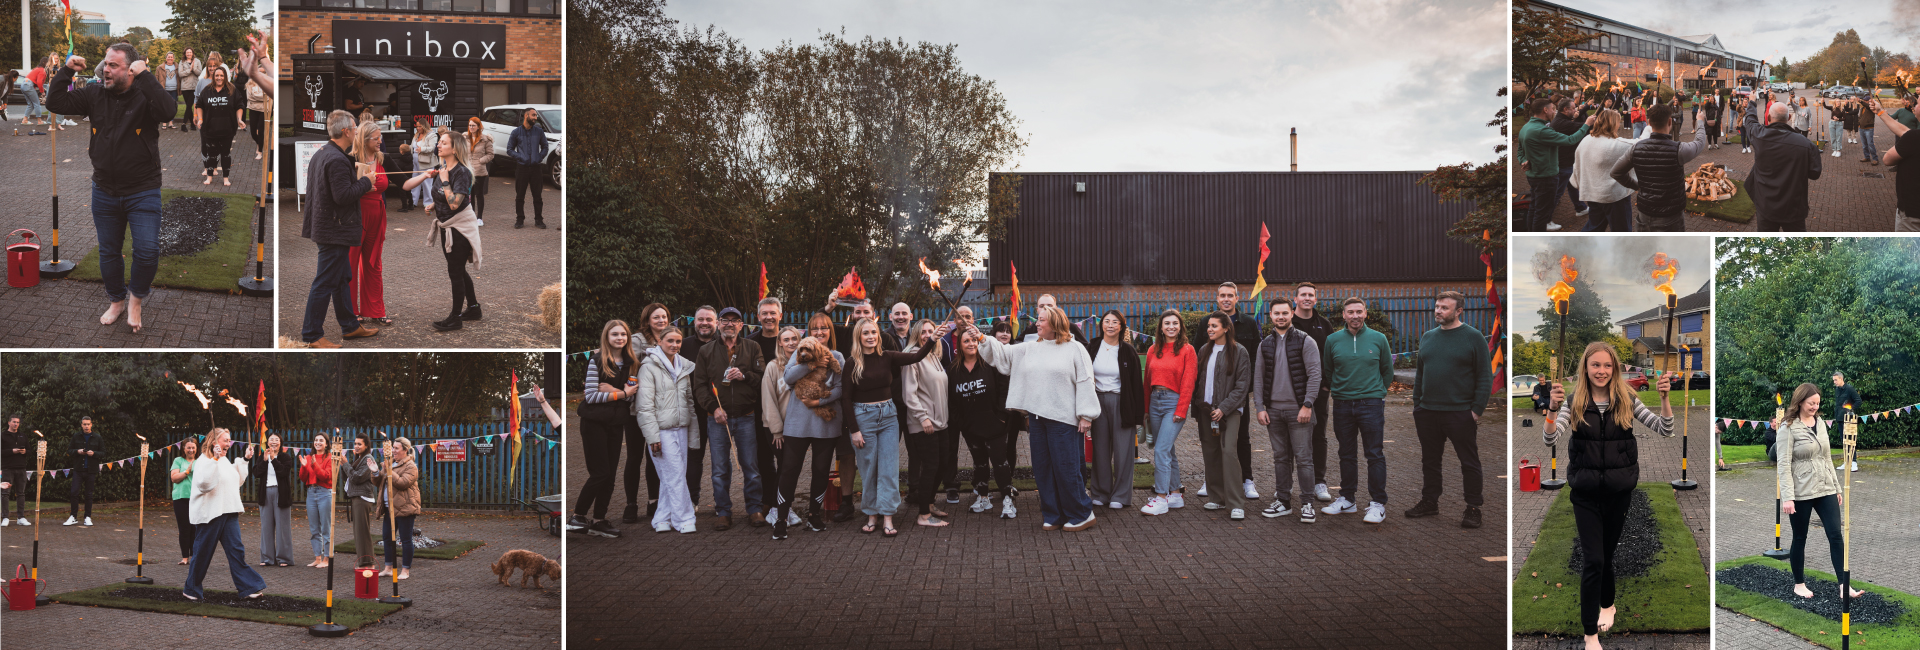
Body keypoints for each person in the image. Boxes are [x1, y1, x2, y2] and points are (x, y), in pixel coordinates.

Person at [1543, 342, 1673, 650]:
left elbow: (1664, 429)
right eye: (1595, 365)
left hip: (1618, 492)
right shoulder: (1573, 401)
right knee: (1593, 560)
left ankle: (1608, 604)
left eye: (1607, 365)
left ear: (1614, 368)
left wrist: (1665, 399)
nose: (1601, 371)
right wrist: (1551, 408)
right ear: (1585, 368)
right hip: (1585, 493)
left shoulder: (1626, 399)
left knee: (1606, 555)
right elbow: (1550, 436)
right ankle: (1590, 635)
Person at [46, 46, 178, 333]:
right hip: (104, 189)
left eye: (114, 65)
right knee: (108, 252)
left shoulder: (145, 95)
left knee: (146, 250)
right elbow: (54, 102)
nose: (106, 69)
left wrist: (146, 77)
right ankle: (116, 300)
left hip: (142, 189)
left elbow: (169, 110)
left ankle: (136, 300)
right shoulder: (95, 93)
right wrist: (66, 70)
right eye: (106, 63)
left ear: (131, 70)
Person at [968, 307, 1097, 532]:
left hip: (1064, 419)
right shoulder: (1030, 348)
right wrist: (982, 338)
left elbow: (1086, 380)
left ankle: (1081, 513)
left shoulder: (1075, 348)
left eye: (1042, 320)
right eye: (1038, 319)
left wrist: (1086, 415)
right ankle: (1053, 514)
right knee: (1043, 468)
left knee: (1066, 468)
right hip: (1037, 418)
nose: (1037, 323)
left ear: (1055, 323)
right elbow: (1002, 355)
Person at [844, 317, 947, 537]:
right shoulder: (852, 363)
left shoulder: (888, 356)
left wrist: (933, 339)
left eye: (874, 332)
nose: (871, 337)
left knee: (889, 468)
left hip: (889, 416)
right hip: (863, 417)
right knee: (869, 468)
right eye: (866, 333)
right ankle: (872, 515)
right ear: (858, 337)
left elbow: (916, 356)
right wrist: (854, 430)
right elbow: (845, 399)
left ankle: (888, 517)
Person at [1405, 292, 1491, 529]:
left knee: (1469, 462)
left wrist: (1475, 410)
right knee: (1430, 461)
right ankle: (1430, 501)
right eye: (1437, 306)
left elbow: (1485, 376)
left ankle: (1473, 507)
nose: (1438, 311)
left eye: (1444, 307)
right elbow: (1420, 373)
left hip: (1460, 412)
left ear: (1459, 311)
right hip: (1428, 411)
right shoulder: (1428, 337)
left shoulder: (1473, 338)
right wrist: (1417, 405)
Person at [1773, 383, 1862, 603]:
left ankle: (1844, 585)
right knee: (1800, 538)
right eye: (1811, 403)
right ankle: (1799, 584)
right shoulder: (1788, 427)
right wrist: (1788, 497)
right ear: (1800, 401)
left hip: (1825, 488)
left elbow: (1827, 457)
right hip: (1800, 492)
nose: (1815, 407)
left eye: (1818, 403)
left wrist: (1836, 487)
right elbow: (1783, 464)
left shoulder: (1820, 423)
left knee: (1836, 535)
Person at [300, 110, 379, 347]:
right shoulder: (336, 159)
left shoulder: (324, 153)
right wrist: (366, 182)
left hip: (328, 227)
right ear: (346, 131)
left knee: (342, 277)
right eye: (355, 128)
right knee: (324, 282)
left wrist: (357, 181)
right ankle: (312, 335)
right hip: (334, 231)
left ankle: (350, 326)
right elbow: (342, 196)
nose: (357, 132)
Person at [769, 315, 846, 537]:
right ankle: (781, 518)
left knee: (821, 470)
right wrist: (812, 364)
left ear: (830, 331)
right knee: (789, 470)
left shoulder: (838, 356)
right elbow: (789, 378)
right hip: (797, 424)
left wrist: (819, 402)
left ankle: (814, 516)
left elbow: (841, 388)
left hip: (826, 423)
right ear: (808, 332)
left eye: (824, 328)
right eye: (815, 329)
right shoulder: (798, 353)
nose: (819, 332)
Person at [692, 307, 767, 531]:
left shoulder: (752, 347)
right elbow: (700, 386)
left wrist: (744, 376)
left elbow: (763, 377)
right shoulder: (706, 351)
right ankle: (723, 511)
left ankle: (754, 508)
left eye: (735, 321)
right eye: (725, 320)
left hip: (745, 416)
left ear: (741, 326)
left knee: (751, 467)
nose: (729, 324)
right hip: (717, 419)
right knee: (720, 469)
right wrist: (714, 408)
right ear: (719, 324)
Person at [1321, 297, 1394, 524]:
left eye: (1359, 312)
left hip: (1371, 404)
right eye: (1350, 312)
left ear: (1366, 314)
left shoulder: (1379, 338)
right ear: (1343, 315)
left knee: (1374, 453)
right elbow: (1328, 371)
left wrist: (1377, 392)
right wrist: (1341, 391)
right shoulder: (1332, 340)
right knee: (1346, 454)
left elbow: (1387, 371)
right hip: (1342, 404)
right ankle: (1347, 499)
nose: (1355, 316)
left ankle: (1377, 504)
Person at [1188, 283, 1261, 501]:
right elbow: (1198, 358)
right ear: (1217, 298)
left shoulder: (1248, 323)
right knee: (1212, 442)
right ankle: (1213, 481)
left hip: (1237, 395)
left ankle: (1247, 480)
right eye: (1222, 295)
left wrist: (1246, 390)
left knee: (1240, 438)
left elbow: (1255, 357)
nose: (1226, 299)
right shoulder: (1205, 323)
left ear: (1237, 298)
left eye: (1230, 295)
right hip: (1210, 401)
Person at [1253, 300, 1322, 523]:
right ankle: (1283, 501)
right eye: (1276, 313)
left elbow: (1315, 375)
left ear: (1292, 313)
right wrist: (1260, 408)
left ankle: (1307, 504)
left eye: (1285, 312)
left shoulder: (1305, 341)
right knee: (1280, 458)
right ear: (1270, 315)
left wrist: (1307, 404)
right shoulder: (1264, 345)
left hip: (1299, 412)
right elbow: (1258, 379)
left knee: (1304, 459)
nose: (1281, 316)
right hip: (1274, 412)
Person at [406, 131, 483, 332]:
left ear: (455, 149)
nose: (438, 145)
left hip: (459, 227)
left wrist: (445, 180)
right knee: (457, 268)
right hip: (446, 225)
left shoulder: (461, 172)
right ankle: (473, 308)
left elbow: (456, 203)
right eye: (439, 142)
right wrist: (433, 205)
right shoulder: (442, 167)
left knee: (455, 271)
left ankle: (455, 318)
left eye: (443, 143)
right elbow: (415, 188)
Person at [572, 320, 639, 538]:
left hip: (616, 423)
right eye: (615, 334)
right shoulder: (597, 361)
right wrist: (622, 394)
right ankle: (578, 516)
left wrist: (618, 392)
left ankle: (598, 520)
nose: (620, 338)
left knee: (610, 475)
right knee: (599, 472)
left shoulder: (632, 363)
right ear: (607, 337)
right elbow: (591, 396)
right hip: (594, 423)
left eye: (624, 334)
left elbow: (635, 394)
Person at [184, 428, 267, 601]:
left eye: (229, 441)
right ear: (214, 442)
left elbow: (236, 481)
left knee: (237, 551)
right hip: (210, 513)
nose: (229, 444)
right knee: (202, 553)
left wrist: (245, 459)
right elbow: (204, 484)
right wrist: (213, 459)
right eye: (226, 440)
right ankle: (191, 589)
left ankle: (248, 586)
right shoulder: (203, 460)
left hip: (229, 512)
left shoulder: (224, 460)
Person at [947, 323, 1016, 518]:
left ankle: (1008, 499)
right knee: (979, 464)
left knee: (1000, 463)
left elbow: (1004, 390)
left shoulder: (991, 363)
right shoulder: (953, 370)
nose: (971, 344)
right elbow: (952, 401)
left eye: (973, 340)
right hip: (971, 427)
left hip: (995, 424)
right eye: (966, 341)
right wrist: (961, 423)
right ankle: (983, 497)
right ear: (959, 345)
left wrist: (1003, 417)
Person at [1190, 311, 1254, 521]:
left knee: (1228, 451)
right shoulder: (1203, 350)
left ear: (1226, 328)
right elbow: (1198, 381)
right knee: (1211, 452)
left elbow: (1242, 386)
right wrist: (1200, 407)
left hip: (1230, 411)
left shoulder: (1239, 351)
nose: (1209, 329)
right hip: (1206, 411)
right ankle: (1216, 498)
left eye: (1214, 326)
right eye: (1208, 326)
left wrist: (1224, 408)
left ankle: (1235, 503)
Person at [1609, 103, 1706, 232]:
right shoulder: (1679, 149)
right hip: (1671, 218)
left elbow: (1616, 172)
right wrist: (1700, 121)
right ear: (1670, 121)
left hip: (1644, 215)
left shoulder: (1636, 148)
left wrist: (1637, 186)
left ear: (1649, 122)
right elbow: (1699, 142)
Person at [1083, 310, 1144, 511]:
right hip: (1097, 401)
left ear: (1121, 326)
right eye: (1107, 321)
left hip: (1121, 402)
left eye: (1115, 322)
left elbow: (1136, 384)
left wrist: (1138, 415)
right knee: (1100, 450)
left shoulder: (1128, 351)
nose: (1110, 325)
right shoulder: (1092, 346)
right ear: (1101, 325)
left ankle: (1121, 495)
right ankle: (1100, 492)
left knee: (1123, 451)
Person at [640, 328, 700, 534]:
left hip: (681, 428)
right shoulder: (648, 367)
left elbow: (688, 401)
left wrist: (693, 433)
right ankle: (684, 518)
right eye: (670, 341)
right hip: (661, 430)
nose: (674, 345)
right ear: (660, 341)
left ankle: (662, 518)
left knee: (672, 476)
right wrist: (652, 436)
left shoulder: (683, 366)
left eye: (678, 341)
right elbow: (644, 406)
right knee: (674, 475)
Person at [1139, 310, 1196, 516]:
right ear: (1161, 327)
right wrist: (1145, 409)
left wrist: (1181, 409)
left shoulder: (1188, 350)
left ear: (1180, 326)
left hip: (1174, 402)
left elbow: (1189, 383)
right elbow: (1147, 382)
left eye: (1175, 323)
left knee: (1161, 449)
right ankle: (1175, 494)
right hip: (1155, 401)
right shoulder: (1154, 349)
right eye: (1167, 323)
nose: (1171, 327)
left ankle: (1161, 497)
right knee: (1167, 449)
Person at [1288, 283, 1338, 503]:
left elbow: (1332, 356)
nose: (1307, 298)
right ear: (1295, 298)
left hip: (1318, 392)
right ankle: (1286, 483)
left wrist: (1326, 385)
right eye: (1303, 295)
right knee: (1290, 437)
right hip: (1290, 392)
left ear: (1316, 299)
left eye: (1311, 295)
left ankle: (1319, 481)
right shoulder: (1287, 323)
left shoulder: (1324, 325)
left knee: (1318, 436)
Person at [1741, 99, 1823, 233]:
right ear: (1789, 117)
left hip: (1767, 206)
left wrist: (1752, 102)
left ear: (1768, 117)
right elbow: (1814, 173)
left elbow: (1750, 121)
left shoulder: (1759, 136)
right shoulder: (1807, 145)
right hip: (1793, 207)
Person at [900, 319, 952, 527]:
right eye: (923, 332)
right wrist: (923, 417)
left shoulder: (933, 355)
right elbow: (909, 393)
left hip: (941, 421)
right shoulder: (912, 355)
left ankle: (929, 503)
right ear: (915, 334)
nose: (927, 335)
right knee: (930, 466)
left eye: (931, 331)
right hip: (923, 422)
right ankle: (923, 515)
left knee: (942, 464)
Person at [1520, 99, 1596, 231]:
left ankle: (1531, 231)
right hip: (1546, 176)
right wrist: (1586, 124)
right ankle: (1539, 231)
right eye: (1552, 109)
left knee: (1534, 207)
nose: (1554, 112)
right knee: (1542, 213)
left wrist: (1522, 160)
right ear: (1545, 110)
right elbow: (1570, 140)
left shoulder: (1526, 127)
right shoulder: (1542, 130)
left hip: (1533, 175)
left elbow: (1520, 150)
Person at [758, 326, 805, 534]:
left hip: (798, 427)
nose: (791, 343)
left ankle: (785, 507)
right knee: (786, 467)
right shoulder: (773, 367)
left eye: (794, 339)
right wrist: (777, 430)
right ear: (780, 343)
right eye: (786, 340)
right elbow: (768, 399)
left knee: (791, 468)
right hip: (777, 428)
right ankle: (777, 509)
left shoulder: (804, 364)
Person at [346, 122, 390, 325]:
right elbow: (343, 190)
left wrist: (426, 175)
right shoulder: (350, 158)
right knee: (351, 263)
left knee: (374, 262)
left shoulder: (382, 158)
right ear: (364, 140)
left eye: (380, 137)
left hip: (377, 216)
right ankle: (351, 311)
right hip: (356, 216)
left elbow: (405, 181)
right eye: (376, 138)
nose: (381, 141)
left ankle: (376, 309)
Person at [747, 298, 785, 523]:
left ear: (780, 315)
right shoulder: (750, 343)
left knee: (785, 458)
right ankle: (767, 500)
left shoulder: (789, 341)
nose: (769, 317)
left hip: (787, 411)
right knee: (762, 458)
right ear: (758, 317)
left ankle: (782, 499)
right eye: (765, 313)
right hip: (757, 410)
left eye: (773, 313)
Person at [1569, 110, 1639, 232]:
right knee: (1621, 230)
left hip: (1593, 194)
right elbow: (1639, 145)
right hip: (1614, 197)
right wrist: (1650, 130)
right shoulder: (1615, 145)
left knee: (1595, 226)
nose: (1619, 125)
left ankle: (1580, 246)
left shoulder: (1586, 140)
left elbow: (1577, 164)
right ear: (1612, 124)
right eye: (1618, 122)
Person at [249, 433, 297, 567]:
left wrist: (273, 459)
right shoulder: (262, 457)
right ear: (267, 443)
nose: (274, 442)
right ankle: (267, 558)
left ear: (280, 443)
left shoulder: (285, 457)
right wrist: (265, 461)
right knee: (266, 527)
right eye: (271, 440)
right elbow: (256, 473)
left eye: (277, 440)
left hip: (280, 493)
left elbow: (283, 472)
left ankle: (284, 558)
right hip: (265, 494)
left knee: (283, 527)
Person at [376, 439, 420, 580]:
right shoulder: (391, 464)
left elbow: (403, 483)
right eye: (392, 448)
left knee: (406, 540)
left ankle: (405, 570)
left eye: (396, 448)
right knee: (387, 538)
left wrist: (389, 470)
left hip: (405, 508)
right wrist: (376, 472)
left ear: (405, 450)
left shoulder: (411, 466)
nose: (393, 450)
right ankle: (388, 568)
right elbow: (378, 483)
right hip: (390, 508)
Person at [193, 67, 241, 186]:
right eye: (217, 75)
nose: (219, 78)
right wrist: (200, 119)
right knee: (211, 154)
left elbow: (239, 105)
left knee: (225, 154)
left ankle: (226, 178)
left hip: (227, 129)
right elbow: (199, 105)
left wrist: (239, 119)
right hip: (210, 129)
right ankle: (209, 177)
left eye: (221, 75)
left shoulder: (232, 89)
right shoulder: (207, 90)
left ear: (225, 76)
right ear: (213, 77)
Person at [344, 434, 383, 568]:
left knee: (363, 532)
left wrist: (345, 464)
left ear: (366, 445)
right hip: (357, 498)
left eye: (359, 444)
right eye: (355, 443)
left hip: (362, 498)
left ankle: (368, 563)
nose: (356, 446)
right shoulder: (359, 458)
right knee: (358, 532)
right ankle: (363, 561)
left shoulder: (368, 459)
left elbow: (357, 478)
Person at [1551, 98, 1592, 220]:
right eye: (1573, 108)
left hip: (1567, 160)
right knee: (1558, 192)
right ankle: (1545, 219)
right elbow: (1579, 128)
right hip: (1563, 161)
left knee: (1572, 184)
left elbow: (1574, 125)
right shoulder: (1560, 123)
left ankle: (1580, 208)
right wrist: (1589, 123)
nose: (1575, 110)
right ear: (1565, 109)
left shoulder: (1563, 120)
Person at [509, 107, 550, 228]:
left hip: (536, 168)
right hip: (522, 168)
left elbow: (545, 147)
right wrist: (521, 157)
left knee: (537, 196)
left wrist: (539, 157)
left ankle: (539, 220)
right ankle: (519, 219)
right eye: (533, 115)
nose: (535, 118)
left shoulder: (539, 132)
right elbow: (509, 149)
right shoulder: (516, 132)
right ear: (526, 116)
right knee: (520, 196)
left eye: (536, 115)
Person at [299, 432, 334, 569]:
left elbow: (326, 476)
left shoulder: (329, 458)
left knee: (326, 528)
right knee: (314, 528)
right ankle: (317, 557)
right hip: (311, 493)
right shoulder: (308, 457)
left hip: (324, 493)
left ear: (326, 444)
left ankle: (327, 559)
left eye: (321, 440)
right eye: (316, 440)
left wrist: (314, 465)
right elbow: (303, 478)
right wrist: (304, 466)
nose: (318, 442)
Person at [64, 416, 101, 526]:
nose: (86, 426)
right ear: (81, 425)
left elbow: (103, 452)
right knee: (74, 492)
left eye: (88, 424)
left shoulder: (97, 437)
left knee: (89, 494)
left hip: (91, 470)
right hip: (78, 469)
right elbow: (69, 451)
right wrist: (78, 451)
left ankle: (87, 517)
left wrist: (94, 453)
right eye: (84, 424)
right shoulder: (76, 436)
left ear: (91, 425)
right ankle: (73, 516)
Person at [170, 437, 199, 564]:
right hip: (181, 498)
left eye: (193, 447)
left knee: (195, 528)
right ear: (183, 448)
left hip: (197, 499)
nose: (191, 450)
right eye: (188, 447)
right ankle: (185, 558)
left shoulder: (200, 461)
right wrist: (187, 470)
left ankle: (194, 557)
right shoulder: (178, 461)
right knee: (184, 528)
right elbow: (174, 478)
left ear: (196, 448)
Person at [1831, 372, 1863, 471]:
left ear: (1841, 379)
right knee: (1844, 440)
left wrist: (1850, 409)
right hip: (1840, 418)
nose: (1834, 382)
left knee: (1850, 440)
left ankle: (1854, 463)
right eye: (1833, 380)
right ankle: (1847, 462)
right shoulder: (1837, 389)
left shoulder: (1849, 389)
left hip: (1848, 418)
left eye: (1835, 380)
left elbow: (1858, 401)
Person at [466, 117, 496, 224]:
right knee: (470, 195)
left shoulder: (485, 139)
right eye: (470, 125)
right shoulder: (465, 138)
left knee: (479, 194)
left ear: (479, 126)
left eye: (473, 125)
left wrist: (481, 160)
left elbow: (491, 154)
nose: (471, 127)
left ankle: (479, 218)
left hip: (479, 171)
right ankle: (472, 216)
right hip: (468, 171)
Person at [1, 416, 28, 527]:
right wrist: (12, 451)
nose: (16, 424)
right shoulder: (2, 435)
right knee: (5, 493)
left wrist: (25, 451)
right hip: (7, 468)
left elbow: (29, 450)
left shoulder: (23, 436)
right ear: (9, 423)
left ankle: (21, 517)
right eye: (14, 422)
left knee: (21, 493)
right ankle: (5, 517)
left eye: (18, 422)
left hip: (21, 468)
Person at [409, 121, 439, 212]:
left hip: (426, 162)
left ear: (425, 126)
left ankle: (428, 202)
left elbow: (433, 148)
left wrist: (422, 149)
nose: (418, 128)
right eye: (417, 126)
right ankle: (413, 201)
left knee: (427, 183)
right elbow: (412, 147)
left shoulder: (432, 135)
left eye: (420, 126)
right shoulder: (416, 135)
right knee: (415, 181)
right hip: (415, 162)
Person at [176, 48, 200, 133]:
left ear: (193, 53)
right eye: (187, 52)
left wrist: (193, 69)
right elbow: (180, 73)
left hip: (194, 87)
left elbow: (199, 73)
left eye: (190, 52)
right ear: (185, 54)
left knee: (189, 105)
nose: (189, 54)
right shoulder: (182, 62)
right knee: (188, 106)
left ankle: (183, 124)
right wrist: (189, 70)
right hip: (185, 87)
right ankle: (193, 124)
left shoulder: (197, 61)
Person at [247, 69, 268, 159]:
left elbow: (268, 97)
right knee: (253, 131)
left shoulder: (267, 83)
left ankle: (260, 151)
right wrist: (262, 97)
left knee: (261, 130)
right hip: (253, 108)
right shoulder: (250, 83)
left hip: (264, 110)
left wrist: (256, 96)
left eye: (263, 73)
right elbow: (249, 97)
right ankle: (259, 143)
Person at [159, 52, 178, 129]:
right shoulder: (160, 67)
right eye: (168, 57)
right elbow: (156, 79)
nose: (170, 58)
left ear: (173, 58)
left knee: (173, 107)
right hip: (165, 89)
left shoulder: (177, 67)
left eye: (171, 57)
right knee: (164, 106)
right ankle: (164, 123)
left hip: (174, 90)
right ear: (166, 58)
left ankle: (171, 123)